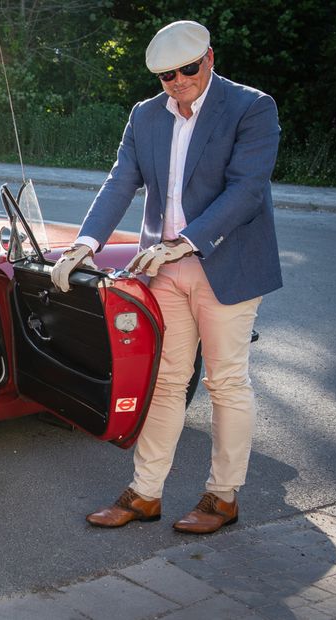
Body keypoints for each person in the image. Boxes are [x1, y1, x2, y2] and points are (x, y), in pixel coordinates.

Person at [50, 20, 281, 535]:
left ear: (210, 58)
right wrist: (86, 244)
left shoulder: (251, 107)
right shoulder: (145, 115)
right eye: (165, 75)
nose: (177, 80)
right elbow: (120, 182)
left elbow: (246, 191)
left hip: (228, 264)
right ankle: (145, 493)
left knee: (225, 383)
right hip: (163, 269)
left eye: (187, 68)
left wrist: (187, 240)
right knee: (167, 380)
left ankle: (222, 497)